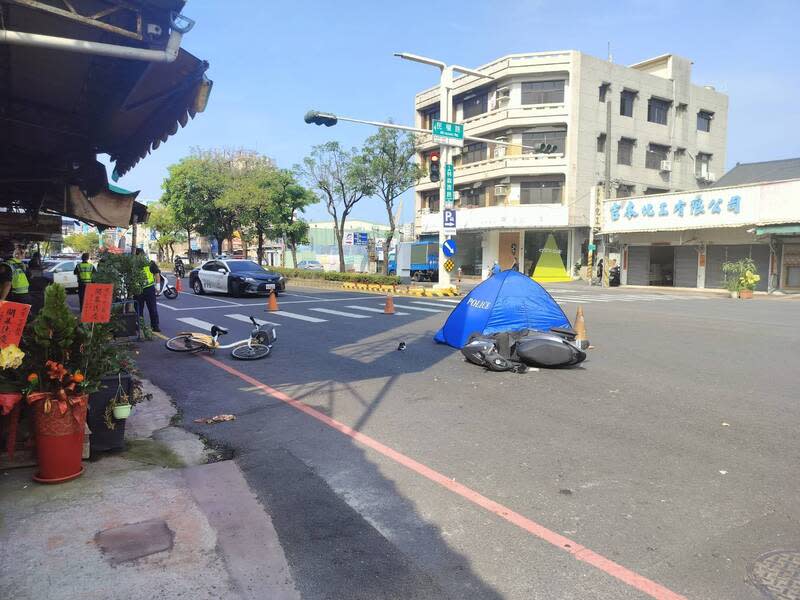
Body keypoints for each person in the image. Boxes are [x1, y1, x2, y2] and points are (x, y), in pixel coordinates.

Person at [135, 248, 160, 332]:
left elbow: (157, 274)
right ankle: (140, 327)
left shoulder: (150, 263)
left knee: (151, 308)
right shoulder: (133, 264)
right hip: (138, 289)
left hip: (148, 288)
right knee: (139, 309)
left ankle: (155, 326)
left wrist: (158, 287)